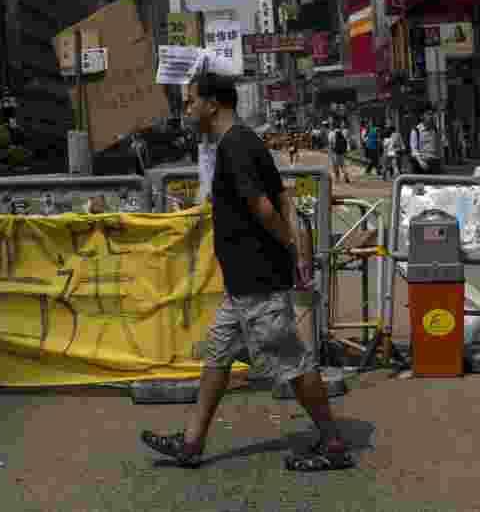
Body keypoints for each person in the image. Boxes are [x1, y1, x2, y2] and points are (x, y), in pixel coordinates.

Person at [141, 73, 354, 472]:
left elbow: (265, 207)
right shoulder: (245, 142)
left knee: (292, 362)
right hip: (242, 284)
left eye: (189, 102)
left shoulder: (236, 146)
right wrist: (297, 251)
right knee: (217, 358)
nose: (185, 110)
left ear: (212, 105)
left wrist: (291, 246)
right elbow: (284, 197)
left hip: (256, 281)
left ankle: (334, 442)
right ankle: (191, 443)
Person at [410, 109, 443, 175]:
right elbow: (414, 149)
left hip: (434, 163)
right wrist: (420, 162)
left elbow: (439, 147)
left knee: (435, 184)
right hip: (420, 164)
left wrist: (441, 161)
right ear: (422, 117)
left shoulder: (436, 130)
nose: (431, 116)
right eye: (428, 114)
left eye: (432, 114)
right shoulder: (416, 131)